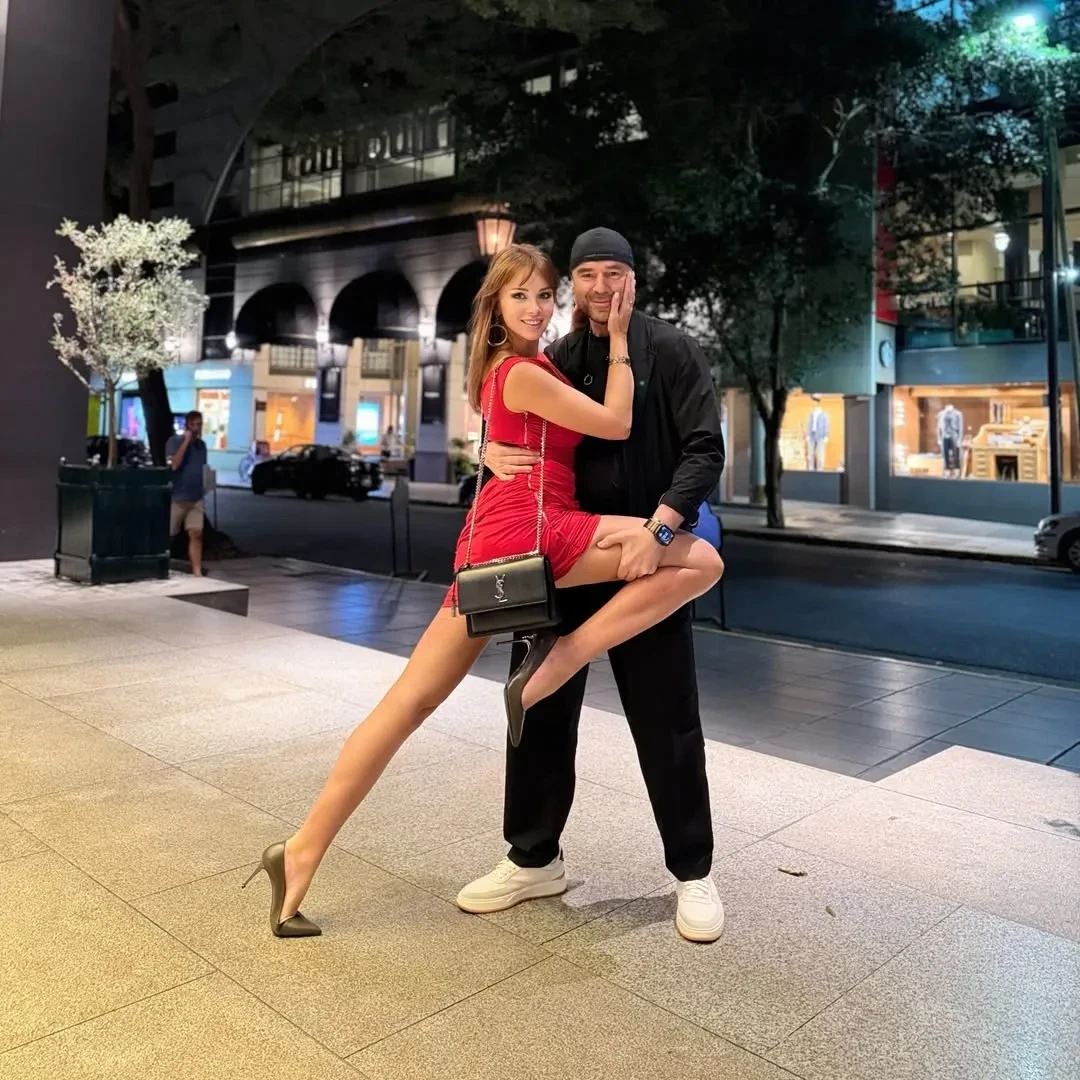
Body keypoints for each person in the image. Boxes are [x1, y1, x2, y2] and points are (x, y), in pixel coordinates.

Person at [243, 242, 723, 939]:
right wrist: (616, 347)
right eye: (521, 295)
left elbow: (687, 445)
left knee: (410, 702)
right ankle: (557, 707)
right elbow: (612, 422)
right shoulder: (536, 363)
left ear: (627, 280)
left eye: (543, 295)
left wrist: (487, 445)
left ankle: (300, 851)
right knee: (701, 563)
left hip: (508, 536)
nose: (537, 306)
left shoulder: (596, 355)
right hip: (538, 535)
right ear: (495, 305)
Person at [456, 227, 727, 943]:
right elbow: (519, 416)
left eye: (614, 273)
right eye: (586, 275)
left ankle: (693, 872)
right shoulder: (562, 355)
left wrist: (660, 530)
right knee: (537, 712)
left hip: (646, 555)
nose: (600, 288)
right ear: (572, 285)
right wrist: (489, 448)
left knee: (668, 717)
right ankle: (532, 858)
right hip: (564, 555)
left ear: (634, 278)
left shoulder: (672, 349)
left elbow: (705, 450)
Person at [166, 411, 208, 577]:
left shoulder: (202, 446)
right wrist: (186, 442)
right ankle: (160, 563)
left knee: (196, 533)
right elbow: (174, 465)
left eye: (199, 424)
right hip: (178, 496)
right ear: (187, 426)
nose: (197, 428)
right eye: (193, 425)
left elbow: (202, 467)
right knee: (170, 534)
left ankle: (197, 570)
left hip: (196, 497)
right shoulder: (174, 441)